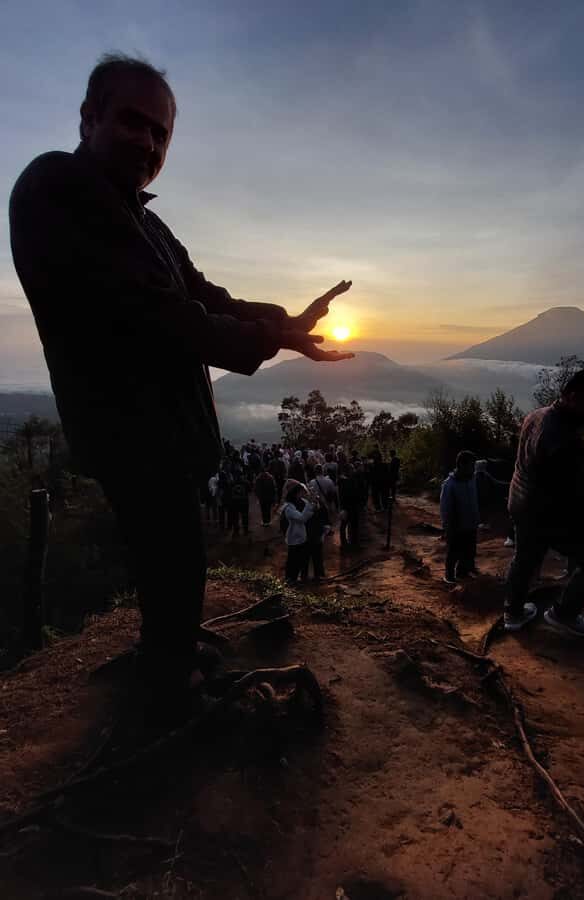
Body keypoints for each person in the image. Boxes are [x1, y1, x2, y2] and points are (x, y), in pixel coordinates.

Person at [9, 54, 353, 722]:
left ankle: (167, 650)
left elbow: (203, 295)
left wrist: (284, 323)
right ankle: (168, 694)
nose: (147, 142)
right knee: (174, 555)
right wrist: (272, 337)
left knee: (170, 556)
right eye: (131, 122)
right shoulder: (58, 185)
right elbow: (165, 313)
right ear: (88, 117)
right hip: (129, 430)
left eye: (160, 133)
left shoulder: (142, 220)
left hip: (160, 434)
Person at [504, 369, 584, 637]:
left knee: (525, 558)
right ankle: (564, 614)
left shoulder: (537, 415)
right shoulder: (564, 439)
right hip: (547, 512)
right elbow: (572, 494)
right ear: (574, 397)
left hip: (520, 502)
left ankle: (514, 613)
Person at [440, 451, 480, 585]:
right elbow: (445, 509)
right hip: (456, 526)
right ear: (462, 465)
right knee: (454, 552)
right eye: (471, 466)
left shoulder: (472, 479)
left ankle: (463, 573)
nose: (473, 469)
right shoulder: (449, 484)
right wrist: (448, 528)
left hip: (471, 524)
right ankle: (449, 576)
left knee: (470, 550)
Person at [280, 480, 316, 583]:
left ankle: (301, 578)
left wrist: (314, 503)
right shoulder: (288, 507)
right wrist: (310, 504)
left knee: (303, 559)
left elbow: (310, 513)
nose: (303, 494)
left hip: (303, 536)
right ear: (294, 493)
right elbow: (302, 518)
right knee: (293, 560)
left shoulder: (302, 502)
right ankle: (290, 579)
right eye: (301, 492)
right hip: (293, 538)